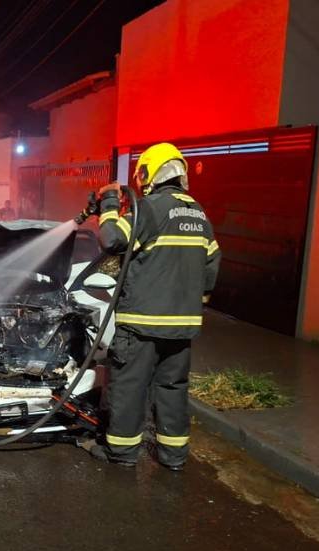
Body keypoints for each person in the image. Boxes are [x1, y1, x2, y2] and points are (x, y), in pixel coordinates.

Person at [92, 143, 220, 470]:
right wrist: (196, 302)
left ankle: (121, 453)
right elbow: (211, 263)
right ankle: (173, 457)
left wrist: (108, 206)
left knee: (129, 387)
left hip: (142, 323)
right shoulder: (199, 213)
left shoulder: (149, 209)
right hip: (182, 327)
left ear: (149, 172)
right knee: (172, 389)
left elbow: (112, 240)